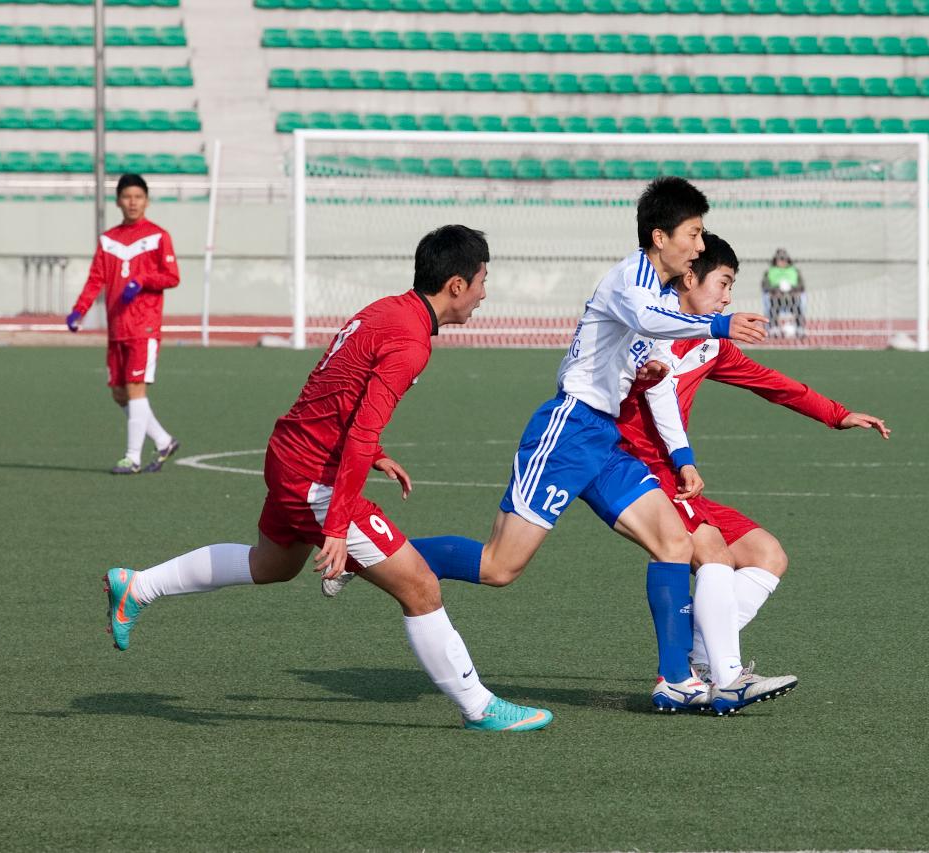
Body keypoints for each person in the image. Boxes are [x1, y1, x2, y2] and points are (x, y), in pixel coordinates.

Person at [322, 178, 773, 714]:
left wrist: (643, 373)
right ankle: (367, 556)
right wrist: (718, 322)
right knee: (499, 568)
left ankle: (676, 679)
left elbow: (628, 347)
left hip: (603, 439)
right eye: (694, 234)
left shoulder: (656, 293)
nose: (700, 247)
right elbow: (649, 323)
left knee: (675, 544)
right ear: (660, 236)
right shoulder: (632, 280)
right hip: (567, 432)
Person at [102, 225, 553, 732]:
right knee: (420, 587)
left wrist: (375, 454)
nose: (484, 294)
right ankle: (479, 706)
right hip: (315, 476)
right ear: (455, 285)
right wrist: (336, 527)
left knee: (271, 564)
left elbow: (335, 387)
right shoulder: (410, 340)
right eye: (481, 281)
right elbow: (359, 431)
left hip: (290, 455)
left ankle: (137, 586)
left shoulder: (386, 309)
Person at [618, 233, 889, 712]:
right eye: (723, 284)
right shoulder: (648, 329)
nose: (728, 297)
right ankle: (725, 677)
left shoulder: (711, 344)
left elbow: (770, 383)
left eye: (731, 287)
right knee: (713, 553)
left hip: (678, 476)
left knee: (768, 555)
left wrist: (836, 413)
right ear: (688, 277)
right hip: (640, 470)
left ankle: (700, 656)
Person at [66, 173, 182, 474]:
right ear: (118, 200)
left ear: (147, 200)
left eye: (138, 197)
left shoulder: (158, 236)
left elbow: (172, 277)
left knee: (134, 388)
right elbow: (96, 280)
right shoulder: (108, 240)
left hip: (144, 327)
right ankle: (163, 440)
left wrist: (142, 280)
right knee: (119, 393)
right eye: (127, 197)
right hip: (117, 327)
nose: (133, 202)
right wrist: (79, 310)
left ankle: (132, 457)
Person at [761, 247, 806, 338]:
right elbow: (765, 286)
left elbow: (801, 286)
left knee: (798, 305)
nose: (782, 261)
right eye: (780, 259)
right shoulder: (769, 271)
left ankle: (799, 328)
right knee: (773, 305)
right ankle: (773, 328)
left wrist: (793, 289)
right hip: (775, 297)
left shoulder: (795, 271)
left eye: (784, 259)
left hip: (792, 296)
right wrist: (775, 290)